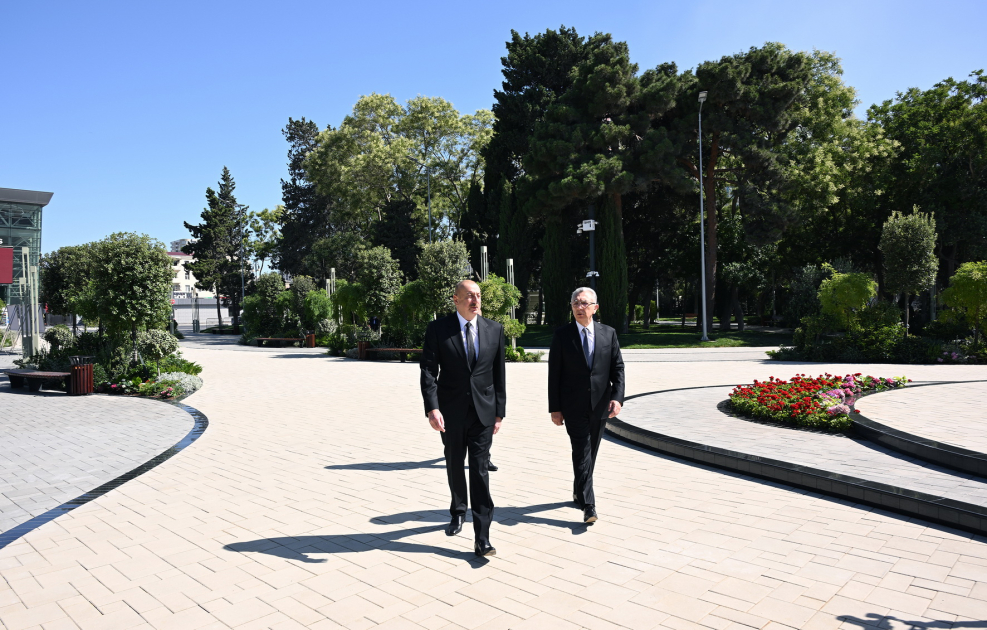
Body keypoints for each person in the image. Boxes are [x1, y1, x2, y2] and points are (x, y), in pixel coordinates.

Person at [420, 279, 506, 556]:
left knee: (480, 471)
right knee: (455, 463)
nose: (475, 300)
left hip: (483, 412)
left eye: (478, 295)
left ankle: (482, 538)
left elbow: (499, 374)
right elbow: (428, 371)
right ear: (456, 300)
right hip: (451, 412)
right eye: (469, 296)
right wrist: (432, 408)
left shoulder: (494, 329)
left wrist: (499, 412)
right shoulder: (438, 329)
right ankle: (458, 511)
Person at [548, 287, 625, 524]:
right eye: (575, 303)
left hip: (600, 405)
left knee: (591, 452)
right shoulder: (562, 335)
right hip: (572, 406)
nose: (579, 308)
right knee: (582, 452)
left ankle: (578, 490)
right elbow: (554, 374)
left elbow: (617, 367)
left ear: (595, 307)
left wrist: (617, 398)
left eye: (584, 303)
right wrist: (555, 408)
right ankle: (589, 505)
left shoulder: (608, 333)